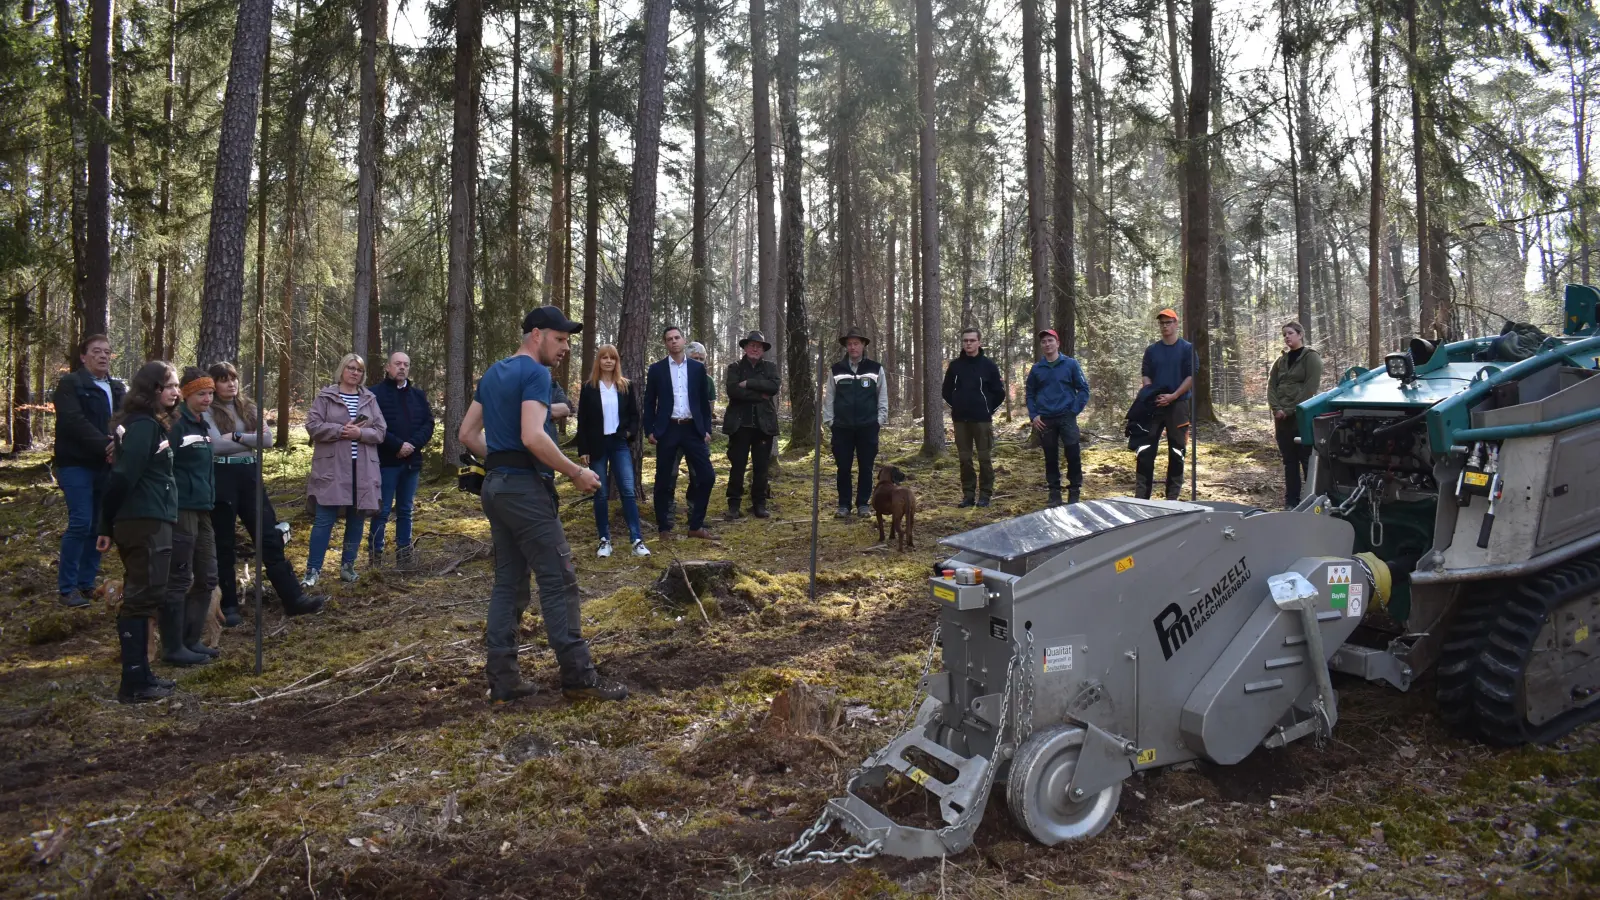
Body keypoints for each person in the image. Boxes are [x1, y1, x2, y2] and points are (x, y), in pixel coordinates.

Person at [457, 305, 627, 703]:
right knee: (558, 579)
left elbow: (467, 434)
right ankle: (579, 678)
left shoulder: (494, 373)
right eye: (560, 339)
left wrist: (501, 460)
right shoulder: (535, 373)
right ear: (537, 334)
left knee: (509, 582)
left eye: (568, 340)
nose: (565, 347)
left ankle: (503, 679)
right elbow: (533, 436)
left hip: (495, 488)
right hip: (524, 492)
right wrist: (575, 471)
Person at [206, 362, 325, 623]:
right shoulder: (208, 411)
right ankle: (228, 606)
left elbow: (268, 440)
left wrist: (235, 436)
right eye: (224, 380)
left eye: (233, 378)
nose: (231, 384)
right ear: (213, 384)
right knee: (223, 541)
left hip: (250, 475)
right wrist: (249, 439)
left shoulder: (249, 407)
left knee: (268, 535)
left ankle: (293, 598)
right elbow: (215, 446)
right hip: (222, 476)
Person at [96, 361, 180, 703]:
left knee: (145, 595)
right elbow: (122, 477)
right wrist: (105, 523)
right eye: (170, 386)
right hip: (144, 520)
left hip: (149, 518)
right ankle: (133, 682)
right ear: (154, 389)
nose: (176, 392)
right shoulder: (143, 426)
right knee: (141, 597)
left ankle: (143, 674)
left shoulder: (144, 424)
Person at [52, 334, 124, 608]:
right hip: (76, 464)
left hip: (107, 466)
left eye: (107, 351)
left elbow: (127, 419)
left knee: (100, 524)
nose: (103, 356)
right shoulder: (71, 384)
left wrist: (119, 445)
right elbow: (73, 421)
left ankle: (86, 582)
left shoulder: (117, 387)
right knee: (81, 522)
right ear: (83, 357)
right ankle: (67, 588)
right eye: (96, 351)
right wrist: (106, 445)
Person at [157, 368, 222, 667]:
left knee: (207, 575)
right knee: (180, 577)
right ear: (186, 394)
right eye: (201, 394)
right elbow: (162, 465)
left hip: (204, 508)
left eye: (210, 393)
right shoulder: (175, 424)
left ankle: (192, 640)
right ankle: (173, 646)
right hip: (181, 509)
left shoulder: (203, 424)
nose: (207, 399)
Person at [303, 354, 386, 585]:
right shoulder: (326, 396)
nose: (354, 373)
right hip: (333, 468)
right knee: (324, 520)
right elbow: (312, 426)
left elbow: (381, 431)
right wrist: (340, 430)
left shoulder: (369, 398)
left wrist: (360, 433)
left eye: (359, 370)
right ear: (342, 370)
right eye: (350, 368)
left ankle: (348, 567)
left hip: (363, 469)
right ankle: (312, 570)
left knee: (356, 520)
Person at [576, 344, 650, 558]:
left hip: (619, 444)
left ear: (617, 362)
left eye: (612, 358)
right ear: (598, 361)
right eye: (604, 357)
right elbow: (583, 421)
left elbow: (635, 416)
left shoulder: (625, 386)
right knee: (600, 493)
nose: (608, 361)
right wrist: (583, 449)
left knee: (628, 490)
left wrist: (628, 433)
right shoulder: (589, 387)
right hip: (597, 445)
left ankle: (636, 540)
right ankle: (604, 540)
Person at [643, 325, 716, 539]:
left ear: (684, 341)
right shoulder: (657, 369)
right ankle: (664, 527)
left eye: (677, 337)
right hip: (668, 429)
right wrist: (649, 430)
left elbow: (703, 401)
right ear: (666, 344)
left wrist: (706, 429)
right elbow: (649, 402)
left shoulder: (697, 368)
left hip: (693, 429)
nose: (674, 341)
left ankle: (696, 525)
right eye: (669, 339)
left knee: (707, 476)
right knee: (663, 480)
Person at [369, 351, 435, 568]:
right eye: (397, 363)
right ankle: (375, 559)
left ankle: (404, 557)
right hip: (385, 462)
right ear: (388, 367)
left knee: (406, 510)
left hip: (411, 463)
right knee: (382, 511)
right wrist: (397, 445)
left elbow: (428, 424)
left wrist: (411, 445)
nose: (402, 368)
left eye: (406, 364)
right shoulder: (374, 394)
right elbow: (373, 426)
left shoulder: (418, 395)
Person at [824, 327, 888, 517]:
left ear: (863, 345)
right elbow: (829, 397)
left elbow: (882, 396)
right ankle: (844, 505)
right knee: (843, 468)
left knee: (866, 467)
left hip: (868, 427)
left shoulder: (875, 369)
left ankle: (863, 504)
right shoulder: (836, 370)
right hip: (842, 428)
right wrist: (830, 422)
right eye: (850, 344)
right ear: (846, 346)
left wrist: (879, 421)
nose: (853, 347)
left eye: (856, 343)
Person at [1025, 329, 1091, 507]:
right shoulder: (1037, 369)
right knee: (1050, 457)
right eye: (1044, 342)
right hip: (1045, 419)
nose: (1047, 344)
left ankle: (1074, 491)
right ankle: (1054, 493)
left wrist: (1073, 411)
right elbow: (1030, 393)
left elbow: (1083, 389)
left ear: (1058, 343)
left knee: (1073, 454)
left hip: (1066, 416)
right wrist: (1034, 415)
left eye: (1050, 341)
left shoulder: (1070, 364)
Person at [942, 326, 1006, 508]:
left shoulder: (989, 366)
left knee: (984, 458)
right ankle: (968, 495)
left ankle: (985, 495)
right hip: (961, 420)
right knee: (965, 460)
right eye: (965, 341)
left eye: (972, 340)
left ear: (979, 342)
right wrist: (958, 406)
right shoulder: (955, 366)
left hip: (982, 420)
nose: (968, 343)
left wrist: (987, 410)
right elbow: (946, 391)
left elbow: (999, 393)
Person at [1135, 308, 1194, 501]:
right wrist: (1151, 392)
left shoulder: (1187, 349)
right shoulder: (1152, 350)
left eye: (1168, 322)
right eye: (1162, 323)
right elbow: (1146, 374)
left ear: (1176, 324)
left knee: (1177, 451)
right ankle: (1142, 497)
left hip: (1178, 406)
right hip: (1154, 405)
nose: (1165, 326)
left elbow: (1191, 377)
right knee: (1145, 450)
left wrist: (1173, 396)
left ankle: (1172, 498)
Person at [723, 331, 780, 520]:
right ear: (745, 348)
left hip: (764, 426)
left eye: (759, 346)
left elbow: (773, 387)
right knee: (737, 466)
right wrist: (759, 394)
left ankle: (759, 504)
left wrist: (748, 383)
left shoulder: (770, 368)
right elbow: (733, 391)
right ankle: (734, 505)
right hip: (739, 425)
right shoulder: (735, 367)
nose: (755, 349)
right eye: (752, 345)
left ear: (763, 350)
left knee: (761, 468)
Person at [1267, 321, 1323, 508]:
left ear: (1300, 334)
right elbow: (1271, 386)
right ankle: (1291, 502)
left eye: (1290, 333)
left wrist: (1290, 410)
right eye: (1284, 334)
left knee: (1306, 460)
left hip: (1301, 417)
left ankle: (1311, 502)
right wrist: (1276, 408)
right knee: (1289, 462)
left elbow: (1310, 388)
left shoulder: (1311, 357)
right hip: (1281, 419)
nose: (1287, 337)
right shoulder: (1280, 361)